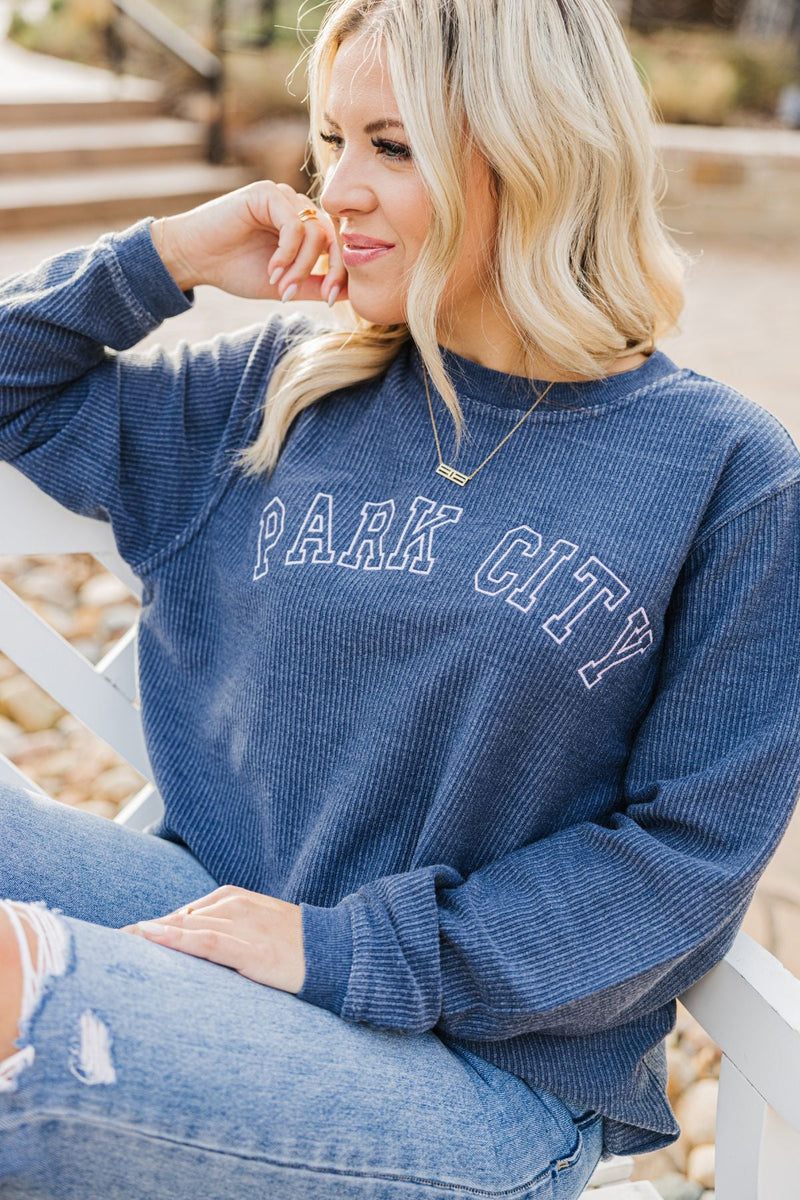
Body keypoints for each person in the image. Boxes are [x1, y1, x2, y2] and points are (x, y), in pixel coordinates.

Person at [0, 0, 798, 1195]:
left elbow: (682, 858)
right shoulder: (281, 391)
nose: (335, 189)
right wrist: (162, 259)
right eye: (327, 141)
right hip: (216, 924)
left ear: (536, 157)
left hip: (473, 1073)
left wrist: (341, 949)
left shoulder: (726, 477)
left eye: (392, 144)